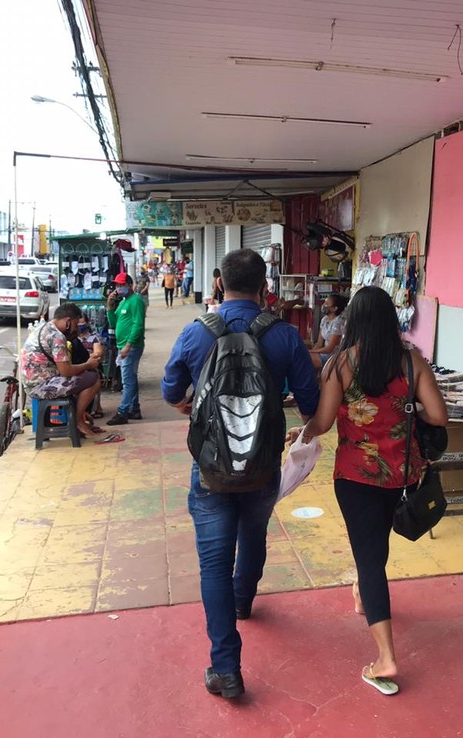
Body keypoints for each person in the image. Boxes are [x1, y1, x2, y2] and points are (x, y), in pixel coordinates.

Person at [161, 249, 319, 700]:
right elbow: (309, 399)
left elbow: (172, 388)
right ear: (263, 286)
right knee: (254, 535)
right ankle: (244, 601)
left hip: (211, 469)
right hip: (263, 463)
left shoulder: (197, 333)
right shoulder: (285, 336)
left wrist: (187, 405)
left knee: (213, 563)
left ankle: (226, 668)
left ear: (220, 284)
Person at [287, 286, 447, 695]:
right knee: (373, 548)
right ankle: (363, 588)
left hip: (356, 475)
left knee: (369, 556)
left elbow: (322, 422)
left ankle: (387, 658)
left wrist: (302, 433)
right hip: (400, 474)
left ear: (354, 321)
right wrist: (404, 406)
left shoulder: (342, 364)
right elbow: (438, 415)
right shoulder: (411, 362)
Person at [18, 303, 101, 437]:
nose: (76, 330)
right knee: (93, 377)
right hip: (40, 386)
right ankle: (78, 421)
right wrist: (88, 365)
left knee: (85, 377)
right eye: (75, 325)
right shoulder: (57, 337)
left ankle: (79, 416)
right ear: (68, 322)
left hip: (33, 382)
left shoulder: (44, 327)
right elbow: (66, 371)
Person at [106, 273, 146, 426]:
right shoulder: (123, 302)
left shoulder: (135, 301)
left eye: (122, 285)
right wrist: (109, 306)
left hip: (131, 347)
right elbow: (114, 322)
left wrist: (128, 345)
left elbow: (138, 325)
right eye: (117, 285)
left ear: (130, 285)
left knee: (127, 381)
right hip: (123, 345)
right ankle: (134, 408)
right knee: (130, 378)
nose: (119, 288)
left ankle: (122, 411)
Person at [309, 294, 348, 370]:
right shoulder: (324, 319)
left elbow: (329, 349)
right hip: (324, 353)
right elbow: (319, 343)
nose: (323, 305)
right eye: (324, 302)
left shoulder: (338, 322)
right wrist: (312, 351)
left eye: (326, 304)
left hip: (334, 356)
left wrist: (311, 351)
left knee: (306, 359)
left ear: (334, 308)